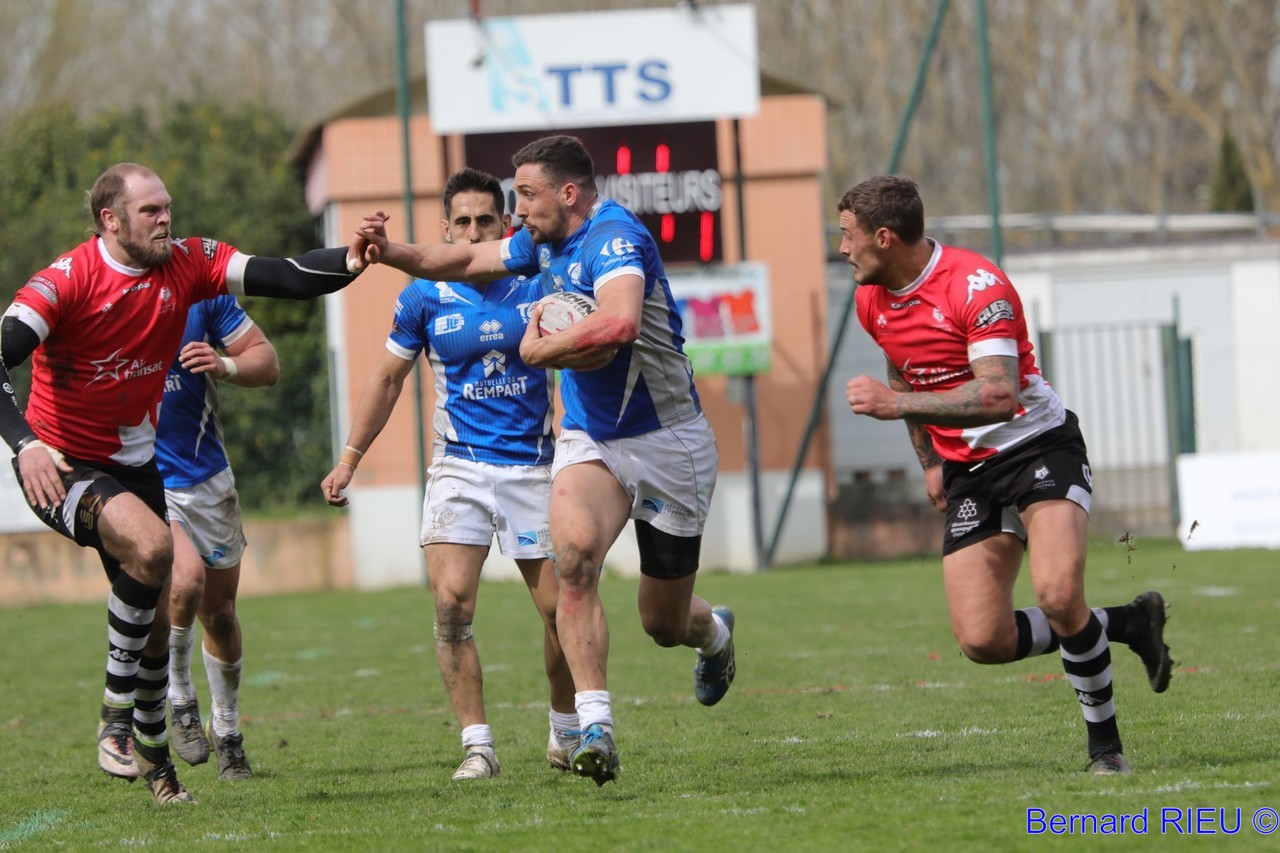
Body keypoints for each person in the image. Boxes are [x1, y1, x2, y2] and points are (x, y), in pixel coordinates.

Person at [351, 136, 733, 786]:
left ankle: (714, 634)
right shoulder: (539, 243)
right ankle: (594, 727)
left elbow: (619, 322)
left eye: (526, 195)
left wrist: (540, 349)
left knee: (663, 621)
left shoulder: (615, 238)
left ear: (568, 193)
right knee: (574, 559)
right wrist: (391, 253)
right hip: (591, 439)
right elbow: (464, 258)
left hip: (668, 440)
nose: (518, 209)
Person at [0, 162, 369, 804]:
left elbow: (284, 274)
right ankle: (114, 720)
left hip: (137, 466)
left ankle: (157, 763)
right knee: (154, 549)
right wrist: (25, 445)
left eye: (167, 206)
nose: (166, 218)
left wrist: (352, 259)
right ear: (111, 221)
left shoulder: (190, 262)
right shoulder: (67, 281)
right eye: (150, 210)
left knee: (153, 622)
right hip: (61, 464)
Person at [837, 175, 1173, 775]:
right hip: (969, 470)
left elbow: (998, 395)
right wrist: (931, 460)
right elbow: (901, 366)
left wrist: (896, 407)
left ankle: (1106, 750)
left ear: (884, 238)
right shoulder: (871, 298)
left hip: (1036, 446)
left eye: (847, 235)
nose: (841, 248)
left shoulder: (976, 286)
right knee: (982, 640)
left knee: (1059, 595)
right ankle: (1128, 621)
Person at [322, 167, 578, 781]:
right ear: (445, 228)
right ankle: (478, 746)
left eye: (485, 220)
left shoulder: (539, 281)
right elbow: (388, 379)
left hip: (532, 468)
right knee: (450, 605)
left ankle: (566, 729)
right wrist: (349, 458)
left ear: (506, 225)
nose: (473, 231)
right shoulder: (423, 295)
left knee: (560, 612)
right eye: (461, 222)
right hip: (458, 467)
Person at [158, 294, 280, 782]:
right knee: (185, 580)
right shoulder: (104, 295)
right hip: (145, 481)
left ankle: (227, 732)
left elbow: (267, 363)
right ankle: (180, 697)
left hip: (208, 481)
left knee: (222, 615)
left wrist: (224, 364)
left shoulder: (202, 296)